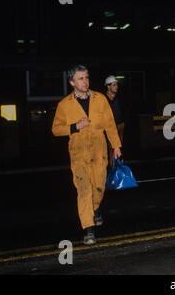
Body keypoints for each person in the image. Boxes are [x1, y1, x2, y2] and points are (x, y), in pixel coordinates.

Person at [52, 65, 122, 245]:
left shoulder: (100, 99)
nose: (86, 81)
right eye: (81, 78)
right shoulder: (64, 105)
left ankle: (95, 208)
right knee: (83, 190)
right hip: (78, 152)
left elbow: (110, 124)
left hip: (99, 150)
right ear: (72, 82)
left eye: (87, 77)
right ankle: (88, 229)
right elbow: (56, 129)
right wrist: (75, 127)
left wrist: (116, 146)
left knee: (99, 186)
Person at [104, 75, 125, 167]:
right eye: (114, 85)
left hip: (120, 125)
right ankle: (112, 167)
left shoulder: (118, 98)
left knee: (119, 146)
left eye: (116, 85)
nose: (116, 87)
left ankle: (120, 165)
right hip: (110, 127)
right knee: (112, 147)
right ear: (108, 86)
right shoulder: (104, 99)